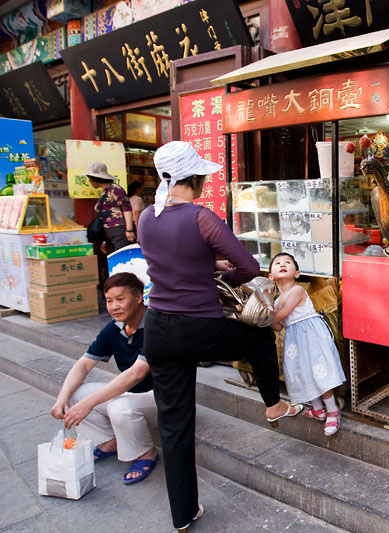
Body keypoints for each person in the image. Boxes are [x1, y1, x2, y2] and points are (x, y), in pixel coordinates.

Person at [137, 141, 302, 531]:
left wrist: (204, 265)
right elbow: (249, 266)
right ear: (191, 178)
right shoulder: (201, 217)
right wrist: (222, 274)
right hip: (198, 326)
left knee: (174, 424)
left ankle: (183, 514)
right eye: (202, 177)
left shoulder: (146, 216)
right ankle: (273, 406)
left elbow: (168, 259)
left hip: (157, 326)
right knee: (259, 338)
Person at [49, 273, 158, 484]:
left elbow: (137, 373)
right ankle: (112, 441)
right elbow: (83, 364)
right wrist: (62, 397)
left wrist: (89, 404)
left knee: (118, 407)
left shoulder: (156, 324)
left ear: (138, 297)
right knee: (77, 393)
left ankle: (146, 453)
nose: (114, 306)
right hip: (135, 395)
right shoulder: (114, 328)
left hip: (164, 398)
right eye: (109, 301)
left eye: (120, 299)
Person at [268, 253, 347, 436]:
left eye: (288, 262)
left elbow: (280, 316)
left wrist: (265, 313)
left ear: (297, 273)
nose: (282, 264)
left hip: (311, 336)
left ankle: (332, 409)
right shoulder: (277, 300)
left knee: (319, 371)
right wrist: (268, 314)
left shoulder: (297, 291)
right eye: (277, 263)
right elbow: (278, 326)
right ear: (270, 276)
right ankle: (318, 409)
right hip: (295, 340)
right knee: (303, 372)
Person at [87, 161, 135, 254]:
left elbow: (127, 208)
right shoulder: (105, 191)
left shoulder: (115, 189)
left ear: (95, 179)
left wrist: (129, 230)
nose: (89, 182)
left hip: (119, 230)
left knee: (122, 257)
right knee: (113, 258)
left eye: (90, 179)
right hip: (108, 232)